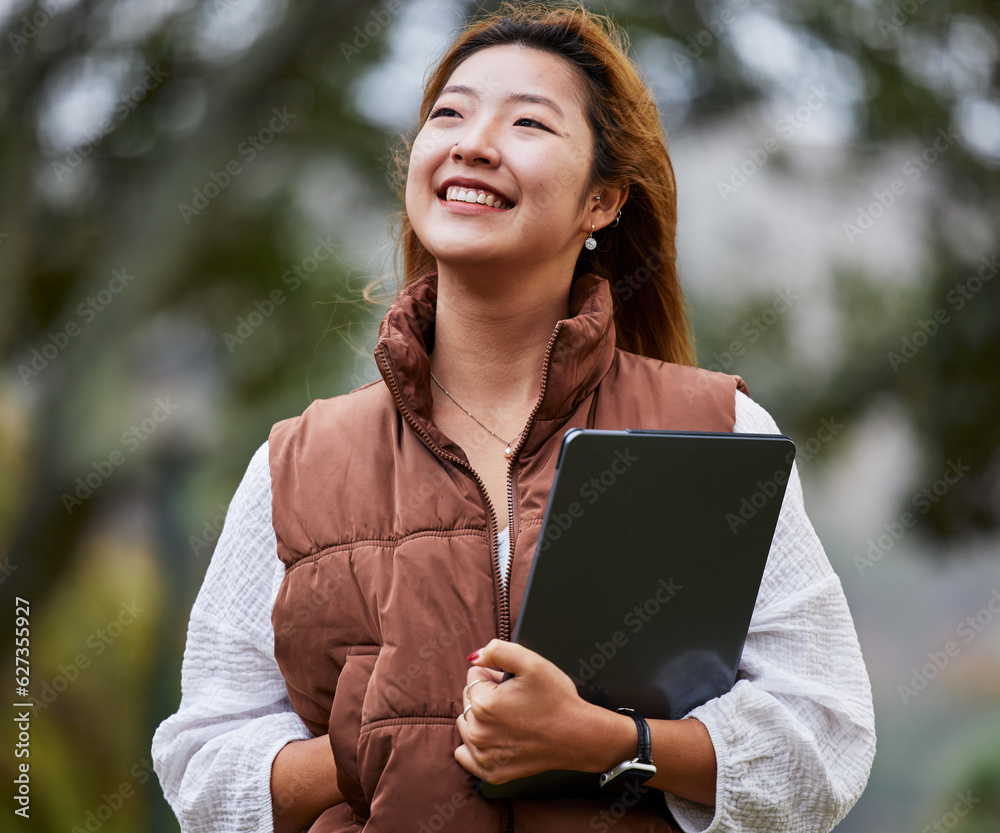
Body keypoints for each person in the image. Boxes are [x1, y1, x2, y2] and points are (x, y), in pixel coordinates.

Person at [152, 3, 876, 832]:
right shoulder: (297, 464)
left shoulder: (716, 432)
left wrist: (606, 740)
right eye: (449, 114)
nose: (473, 142)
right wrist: (377, 743)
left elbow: (826, 738)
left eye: (527, 122)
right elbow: (203, 764)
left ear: (601, 200)